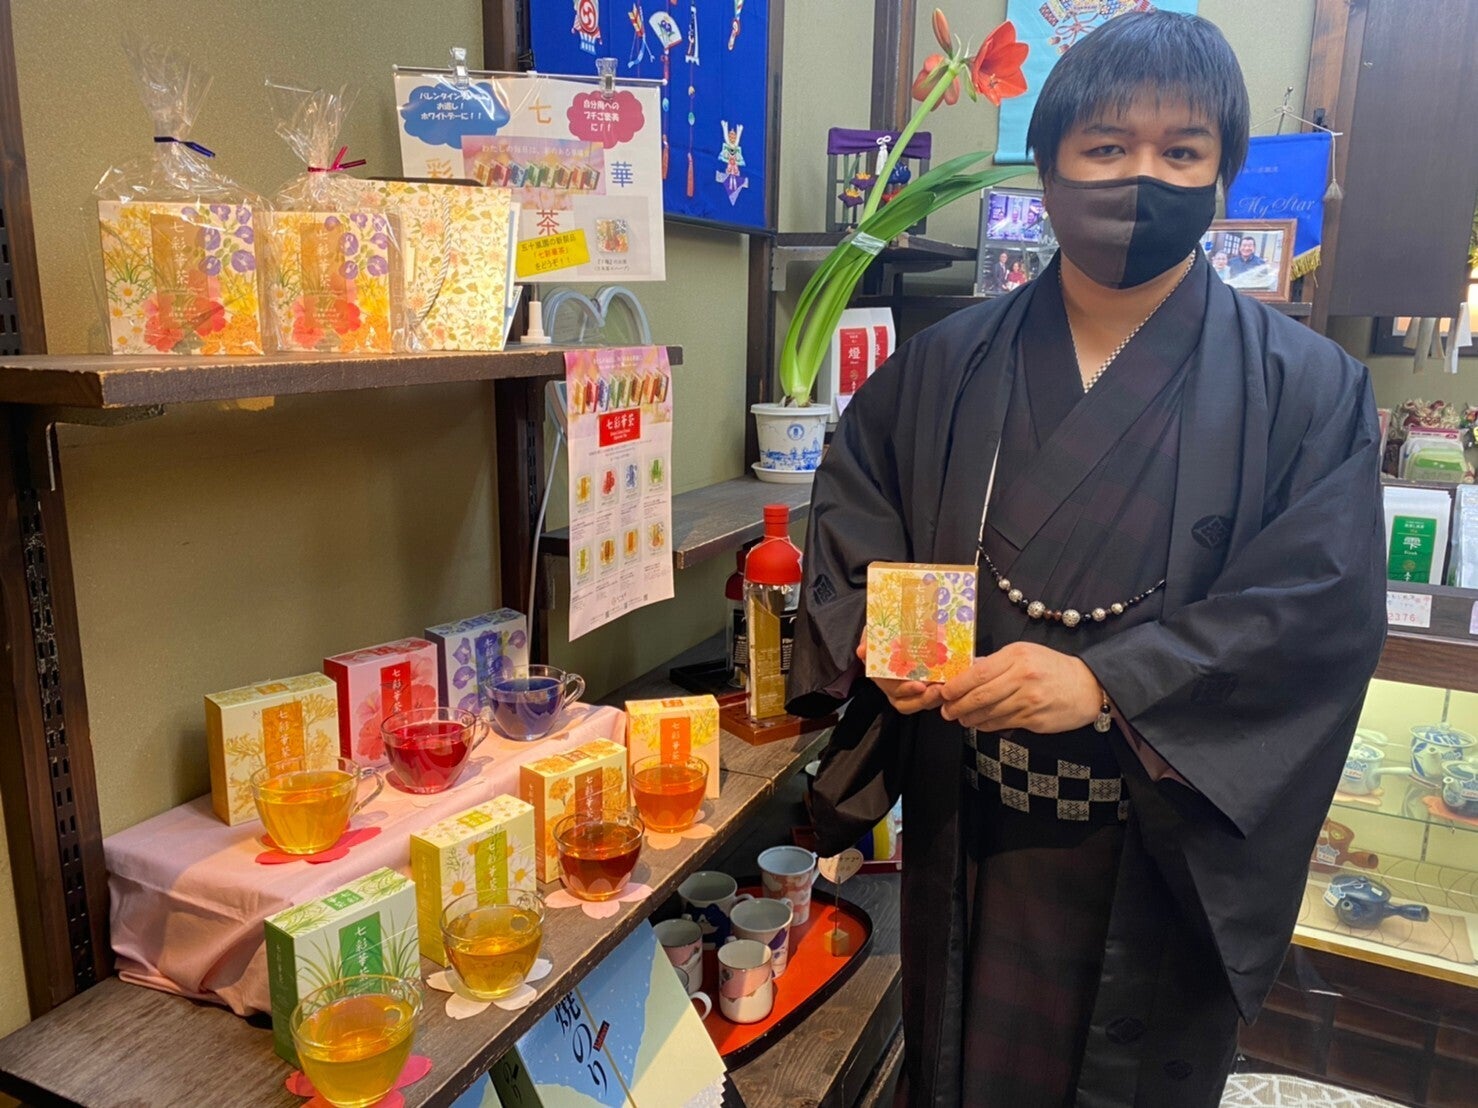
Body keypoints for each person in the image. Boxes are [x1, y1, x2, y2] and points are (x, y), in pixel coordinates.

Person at [788, 12, 1385, 1108]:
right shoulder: (942, 365)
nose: (1140, 179)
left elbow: (1318, 606)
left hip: (1161, 846)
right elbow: (856, 505)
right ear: (1050, 165)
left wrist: (1110, 681)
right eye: (1106, 147)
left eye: (1181, 151)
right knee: (956, 1072)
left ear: (1221, 176)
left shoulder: (1305, 388)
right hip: (969, 826)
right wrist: (884, 640)